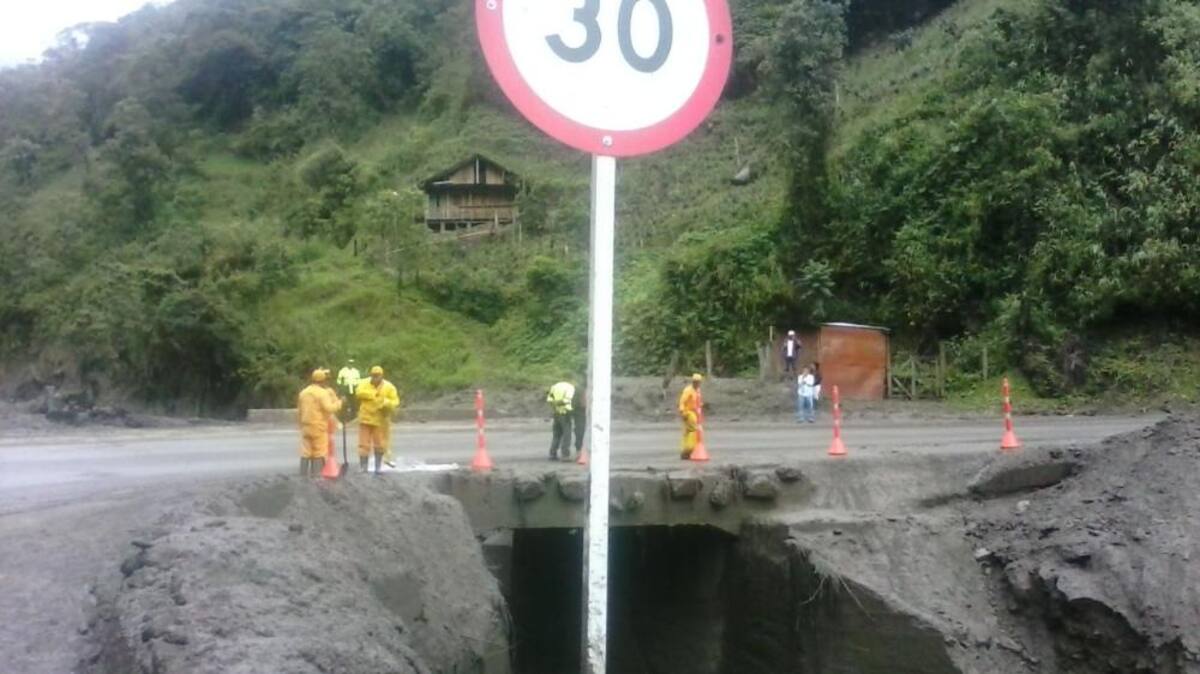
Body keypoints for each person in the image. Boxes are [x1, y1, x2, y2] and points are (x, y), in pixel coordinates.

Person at [297, 369, 343, 477]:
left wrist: (300, 424)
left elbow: (299, 411)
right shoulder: (323, 393)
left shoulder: (303, 392)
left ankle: (302, 475)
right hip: (318, 427)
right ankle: (316, 475)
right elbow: (329, 408)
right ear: (323, 380)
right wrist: (339, 403)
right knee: (319, 452)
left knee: (305, 452)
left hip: (305, 426)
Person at [355, 366, 400, 474]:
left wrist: (386, 403)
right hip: (365, 419)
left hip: (380, 420)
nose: (375, 378)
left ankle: (378, 467)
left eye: (377, 376)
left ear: (382, 375)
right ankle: (363, 467)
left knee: (380, 444)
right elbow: (358, 393)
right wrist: (372, 394)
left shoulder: (389, 387)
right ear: (371, 375)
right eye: (373, 376)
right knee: (363, 444)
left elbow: (395, 401)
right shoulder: (364, 383)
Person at [546, 381, 576, 461]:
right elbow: (567, 400)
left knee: (556, 434)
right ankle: (565, 455)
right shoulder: (570, 387)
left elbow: (549, 400)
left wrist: (555, 407)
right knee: (567, 435)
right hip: (565, 413)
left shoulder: (554, 386)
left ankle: (552, 454)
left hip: (556, 413)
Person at [678, 374, 703, 460]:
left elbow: (697, 401)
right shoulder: (688, 390)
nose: (697, 383)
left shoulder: (697, 390)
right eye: (695, 382)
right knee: (693, 430)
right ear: (693, 382)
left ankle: (685, 450)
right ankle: (689, 449)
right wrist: (682, 411)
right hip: (688, 413)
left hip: (693, 412)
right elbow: (682, 401)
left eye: (698, 382)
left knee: (687, 432)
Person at [572, 381, 588, 457]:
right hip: (581, 412)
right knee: (580, 431)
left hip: (577, 411)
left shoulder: (577, 388)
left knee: (579, 431)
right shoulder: (582, 390)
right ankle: (579, 451)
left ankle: (579, 451)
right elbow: (583, 403)